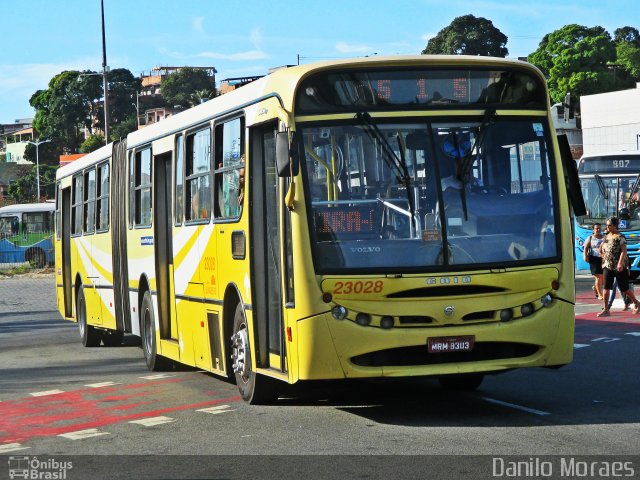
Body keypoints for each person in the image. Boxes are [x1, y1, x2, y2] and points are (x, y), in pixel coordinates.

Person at [597, 216, 640, 317]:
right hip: (607, 265)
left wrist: (620, 263)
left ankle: (636, 302)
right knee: (606, 287)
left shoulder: (620, 237)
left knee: (624, 288)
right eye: (607, 225)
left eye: (610, 225)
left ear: (615, 226)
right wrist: (603, 255)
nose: (607, 227)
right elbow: (601, 248)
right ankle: (606, 309)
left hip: (619, 266)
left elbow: (624, 251)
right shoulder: (606, 236)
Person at [583, 223, 604, 300]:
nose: (598, 230)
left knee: (603, 280)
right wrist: (585, 256)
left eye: (599, 228)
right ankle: (600, 294)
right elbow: (585, 248)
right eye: (596, 228)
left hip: (603, 259)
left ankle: (595, 287)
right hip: (594, 259)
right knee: (598, 277)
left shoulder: (604, 238)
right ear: (593, 230)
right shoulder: (590, 238)